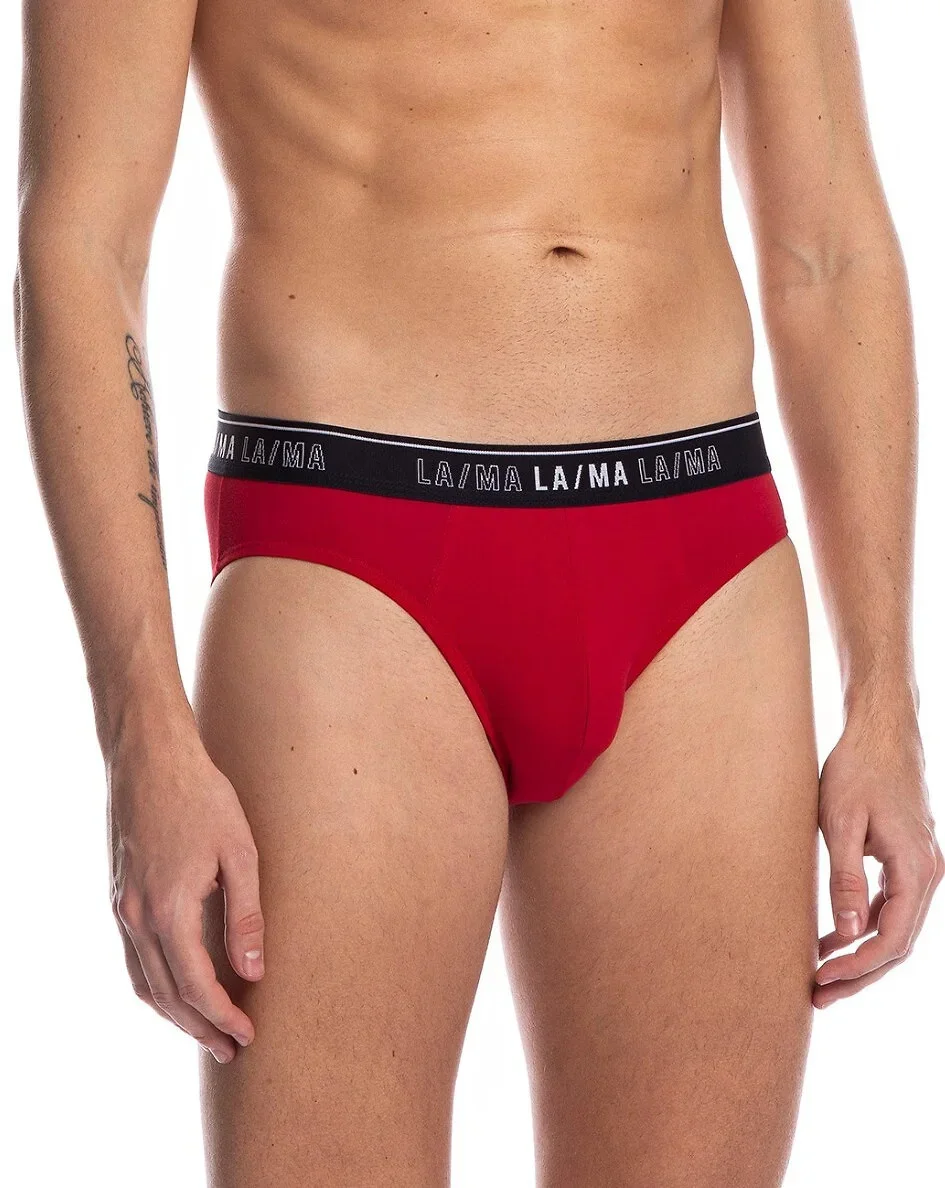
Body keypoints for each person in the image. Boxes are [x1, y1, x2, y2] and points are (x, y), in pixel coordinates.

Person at [14, 1, 941, 1185]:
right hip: (351, 557)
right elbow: (80, 247)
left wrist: (884, 697)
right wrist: (140, 730)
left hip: (699, 563)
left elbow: (830, 247)